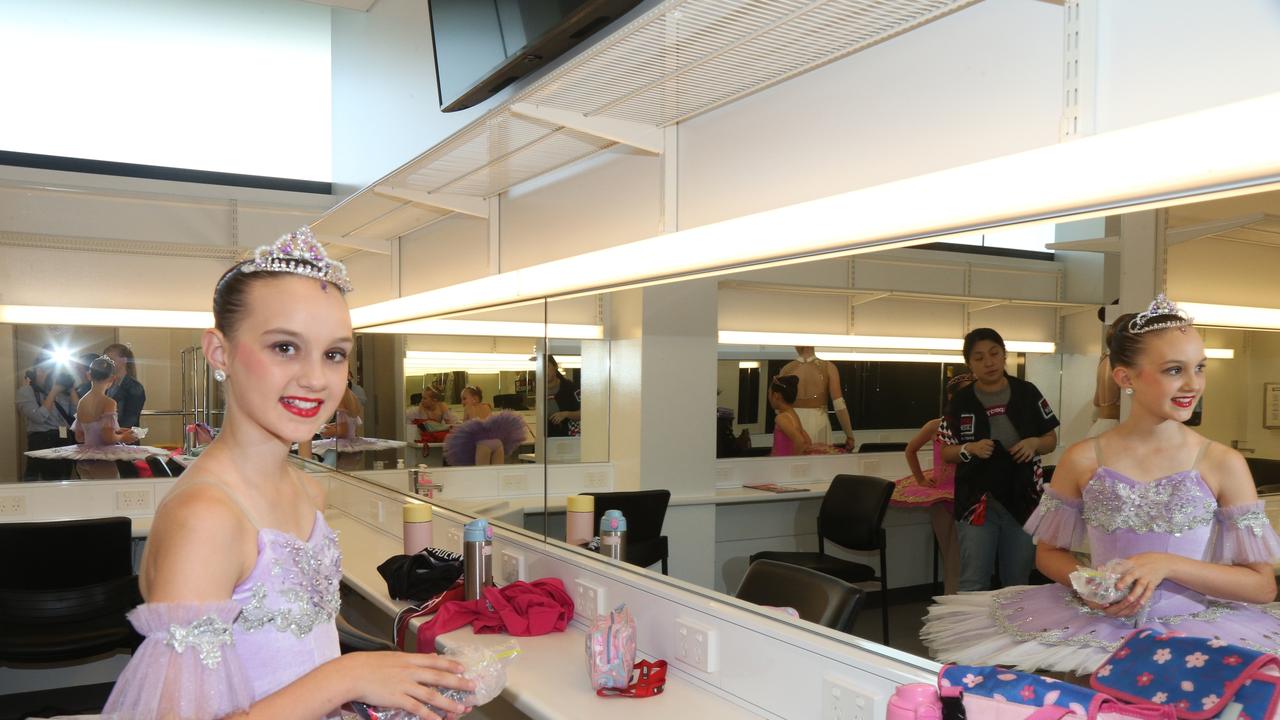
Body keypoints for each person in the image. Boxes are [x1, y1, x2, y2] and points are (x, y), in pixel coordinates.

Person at [102, 228, 473, 719]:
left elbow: (292, 661)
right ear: (220, 353)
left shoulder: (307, 490)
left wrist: (367, 694)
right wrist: (348, 676)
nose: (317, 378)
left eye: (334, 353)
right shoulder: (206, 518)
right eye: (284, 347)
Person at [922, 296, 1280, 674]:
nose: (1193, 384)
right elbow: (1048, 554)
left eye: (1200, 368)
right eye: (1175, 370)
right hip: (1097, 625)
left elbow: (1261, 587)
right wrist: (1086, 585)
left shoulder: (1223, 463)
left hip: (1194, 632)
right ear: (1126, 378)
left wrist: (1167, 564)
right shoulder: (1083, 459)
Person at [936, 328, 1059, 591]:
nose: (988, 362)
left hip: (1022, 499)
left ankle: (1011, 632)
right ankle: (971, 633)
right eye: (979, 358)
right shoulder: (961, 401)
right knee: (973, 580)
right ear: (969, 364)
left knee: (1016, 580)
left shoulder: (1027, 392)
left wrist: (1034, 443)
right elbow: (946, 451)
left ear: (1004, 355)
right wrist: (969, 448)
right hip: (976, 502)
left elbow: (1051, 439)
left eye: (994, 354)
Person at [890, 373, 975, 596]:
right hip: (941, 495)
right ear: (951, 396)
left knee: (963, 552)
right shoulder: (936, 426)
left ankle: (956, 600)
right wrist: (919, 479)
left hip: (969, 493)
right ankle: (952, 601)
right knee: (949, 551)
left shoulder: (975, 425)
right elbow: (910, 450)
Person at [71, 356, 141, 479]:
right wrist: (123, 437)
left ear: (89, 375)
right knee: (108, 496)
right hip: (102, 462)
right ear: (113, 378)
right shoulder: (108, 402)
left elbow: (80, 436)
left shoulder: (82, 402)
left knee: (90, 497)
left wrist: (117, 431)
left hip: (84, 460)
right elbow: (108, 438)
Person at [16, 347, 77, 481]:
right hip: (42, 442)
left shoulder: (62, 391)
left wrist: (71, 389)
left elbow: (77, 416)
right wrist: (53, 392)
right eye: (52, 373)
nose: (55, 377)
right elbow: (38, 417)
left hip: (65, 441)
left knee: (63, 482)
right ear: (40, 371)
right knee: (44, 485)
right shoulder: (26, 391)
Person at [778, 346, 855, 450]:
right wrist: (849, 434)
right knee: (820, 461)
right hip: (818, 421)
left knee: (794, 461)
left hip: (792, 421)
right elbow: (839, 404)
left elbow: (778, 405)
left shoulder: (786, 369)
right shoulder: (828, 367)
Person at [313, 386, 407, 470]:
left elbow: (343, 431)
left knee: (326, 468)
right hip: (350, 443)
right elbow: (347, 427)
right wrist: (333, 426)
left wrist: (327, 431)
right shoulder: (350, 414)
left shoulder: (342, 413)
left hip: (342, 446)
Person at [444, 386, 529, 466]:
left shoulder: (468, 408)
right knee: (497, 474)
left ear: (475, 399)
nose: (462, 402)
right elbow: (489, 424)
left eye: (464, 399)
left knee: (482, 475)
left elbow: (465, 428)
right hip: (497, 443)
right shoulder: (487, 406)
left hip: (483, 444)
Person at [1089, 304, 1122, 438]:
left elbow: (1097, 401)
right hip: (1115, 426)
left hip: (1101, 424)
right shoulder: (1116, 360)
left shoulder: (1105, 357)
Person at [103, 342, 146, 429]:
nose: (107, 364)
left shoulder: (134, 387)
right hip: (108, 437)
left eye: (110, 359)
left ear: (124, 360)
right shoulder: (106, 385)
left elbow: (130, 421)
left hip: (124, 439)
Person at [768, 375, 812, 456]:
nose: (769, 399)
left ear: (776, 396)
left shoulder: (781, 418)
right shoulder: (793, 414)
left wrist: (792, 461)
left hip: (782, 464)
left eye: (770, 394)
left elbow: (800, 441)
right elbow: (808, 440)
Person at [545, 355, 581, 437]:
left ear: (555, 367)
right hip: (545, 438)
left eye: (547, 367)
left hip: (567, 437)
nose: (544, 371)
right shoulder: (540, 389)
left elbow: (583, 413)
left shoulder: (570, 387)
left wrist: (566, 414)